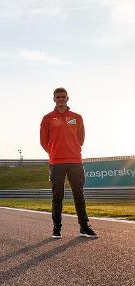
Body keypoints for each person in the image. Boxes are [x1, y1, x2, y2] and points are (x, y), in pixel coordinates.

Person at [40, 87, 98, 239]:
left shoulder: (77, 117)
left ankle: (84, 228)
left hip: (75, 162)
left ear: (67, 98)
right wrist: (54, 153)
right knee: (57, 196)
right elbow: (43, 141)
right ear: (54, 99)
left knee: (79, 195)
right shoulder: (47, 118)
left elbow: (81, 139)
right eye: (58, 97)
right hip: (56, 163)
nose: (60, 99)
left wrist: (72, 150)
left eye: (63, 97)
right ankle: (56, 229)